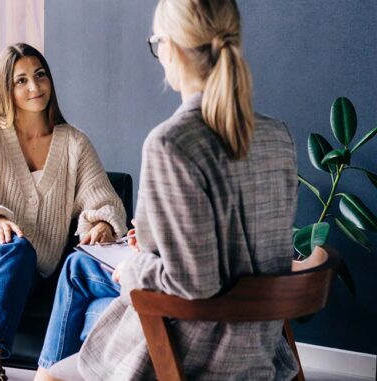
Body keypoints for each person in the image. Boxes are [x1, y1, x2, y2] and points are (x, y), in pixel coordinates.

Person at [35, 0, 300, 379]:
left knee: (48, 376)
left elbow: (193, 282)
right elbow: (252, 250)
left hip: (194, 354)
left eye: (156, 41)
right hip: (260, 349)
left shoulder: (172, 143)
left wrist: (134, 269)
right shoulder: (277, 137)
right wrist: (154, 245)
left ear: (171, 48)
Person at [0, 42, 127, 381]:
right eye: (20, 80)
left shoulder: (74, 144)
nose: (34, 87)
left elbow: (104, 201)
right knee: (16, 249)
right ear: (5, 88)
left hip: (27, 269)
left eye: (40, 76)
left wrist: (100, 223)